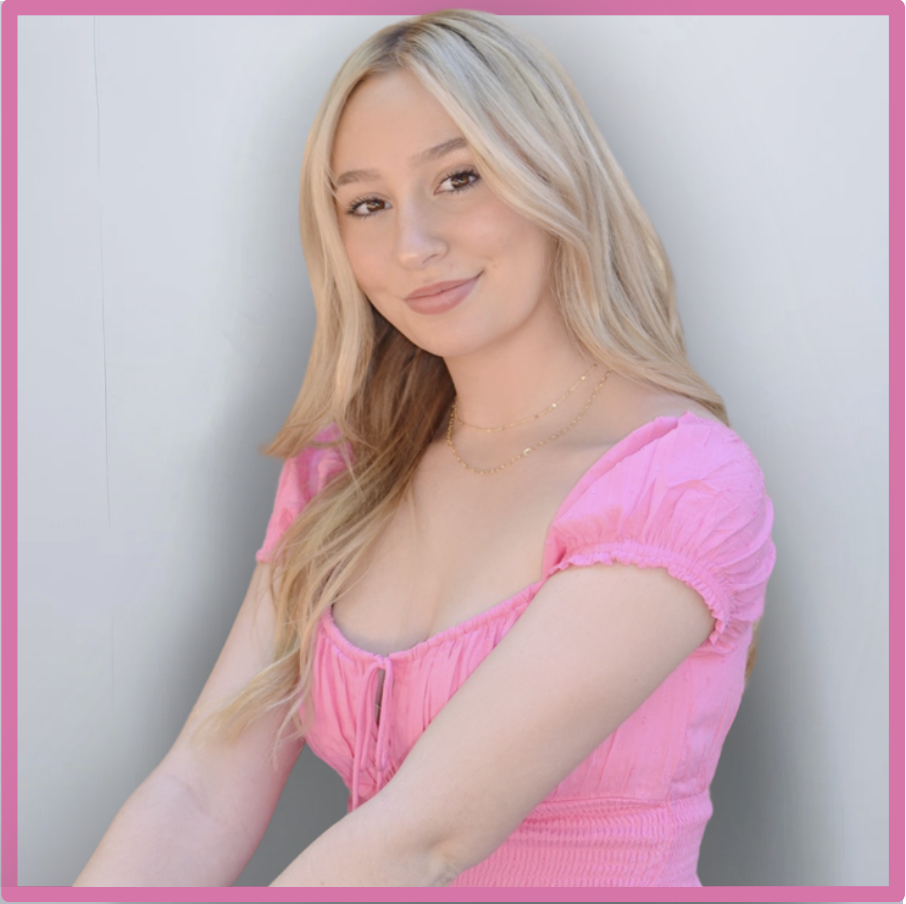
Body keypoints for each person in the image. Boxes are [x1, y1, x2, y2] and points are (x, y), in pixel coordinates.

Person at [74, 10, 775, 888]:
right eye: (368, 204)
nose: (413, 246)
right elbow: (200, 790)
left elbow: (428, 836)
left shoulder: (679, 484)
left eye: (458, 178)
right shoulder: (345, 471)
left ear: (551, 171)